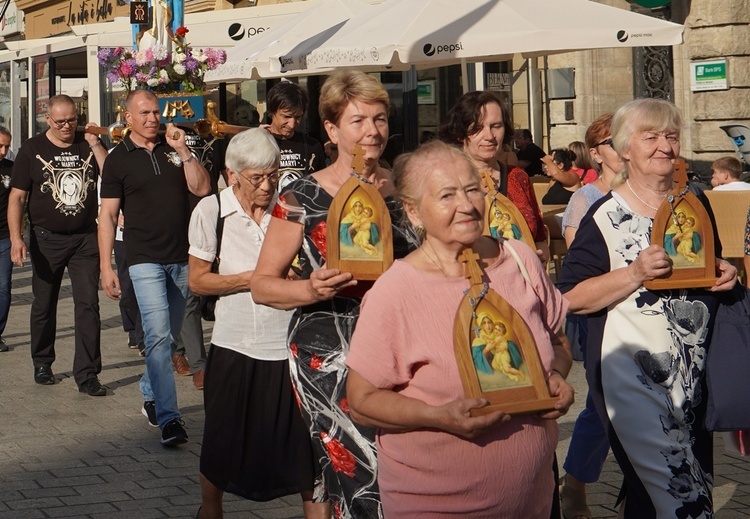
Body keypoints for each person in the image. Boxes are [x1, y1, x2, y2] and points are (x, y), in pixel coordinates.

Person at [344, 140, 574, 518]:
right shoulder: (396, 291)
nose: (466, 205)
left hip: (534, 500)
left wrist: (556, 377)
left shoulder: (520, 260)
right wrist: (439, 416)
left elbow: (558, 341)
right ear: (413, 211)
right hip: (437, 503)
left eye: (471, 190)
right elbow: (363, 399)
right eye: (447, 195)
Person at [557, 98, 738, 518]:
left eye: (671, 136)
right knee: (687, 504)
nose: (664, 146)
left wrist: (725, 272)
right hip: (634, 384)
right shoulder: (605, 215)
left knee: (659, 495)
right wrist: (633, 273)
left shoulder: (693, 201)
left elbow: (706, 266)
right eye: (650, 137)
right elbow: (568, 297)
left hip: (693, 382)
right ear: (624, 149)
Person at [250, 71, 419, 518]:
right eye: (358, 120)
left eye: (380, 119)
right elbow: (262, 284)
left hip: (407, 345)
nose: (372, 131)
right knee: (369, 472)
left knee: (405, 465)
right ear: (331, 129)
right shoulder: (301, 195)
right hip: (330, 349)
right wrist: (309, 287)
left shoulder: (408, 188)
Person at [188, 128, 328, 519]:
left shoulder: (293, 209)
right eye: (257, 177)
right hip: (235, 347)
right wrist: (254, 279)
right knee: (220, 446)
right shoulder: (211, 212)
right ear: (232, 174)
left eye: (273, 174)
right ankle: (210, 511)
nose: (267, 185)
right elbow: (198, 280)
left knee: (306, 454)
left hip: (289, 348)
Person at [99, 89, 211, 446]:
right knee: (159, 337)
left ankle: (149, 389)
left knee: (171, 335)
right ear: (127, 117)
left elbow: (203, 189)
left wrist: (183, 150)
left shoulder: (173, 148)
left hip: (182, 258)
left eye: (156, 112)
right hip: (143, 259)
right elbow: (107, 216)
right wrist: (106, 265)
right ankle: (169, 419)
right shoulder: (118, 159)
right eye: (144, 113)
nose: (152, 119)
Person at [9, 94, 108, 393]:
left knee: (88, 305)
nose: (67, 126)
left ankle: (88, 374)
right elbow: (17, 197)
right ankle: (42, 361)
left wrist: (94, 142)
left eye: (72, 120)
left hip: (84, 239)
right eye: (61, 121)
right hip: (45, 238)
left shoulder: (85, 142)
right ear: (47, 120)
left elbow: (112, 173)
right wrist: (17, 238)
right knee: (44, 303)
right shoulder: (32, 148)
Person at [558, 113, 619, 519]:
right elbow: (577, 270)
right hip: (602, 311)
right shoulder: (585, 198)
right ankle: (575, 481)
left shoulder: (655, 192)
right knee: (602, 405)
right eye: (613, 141)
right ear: (596, 153)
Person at [437, 91, 548, 249]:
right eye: (477, 128)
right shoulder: (445, 182)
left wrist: (540, 256)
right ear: (460, 134)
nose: (489, 136)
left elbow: (540, 240)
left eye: (496, 126)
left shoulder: (517, 177)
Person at [265, 81, 326, 189]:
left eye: (298, 117)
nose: (292, 124)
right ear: (271, 112)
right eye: (286, 116)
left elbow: (322, 188)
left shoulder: (312, 146)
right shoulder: (258, 144)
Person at [0, 127, 13, 352]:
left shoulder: (13, 169)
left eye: (6, 147)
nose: (3, 151)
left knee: (3, 288)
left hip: (5, 237)